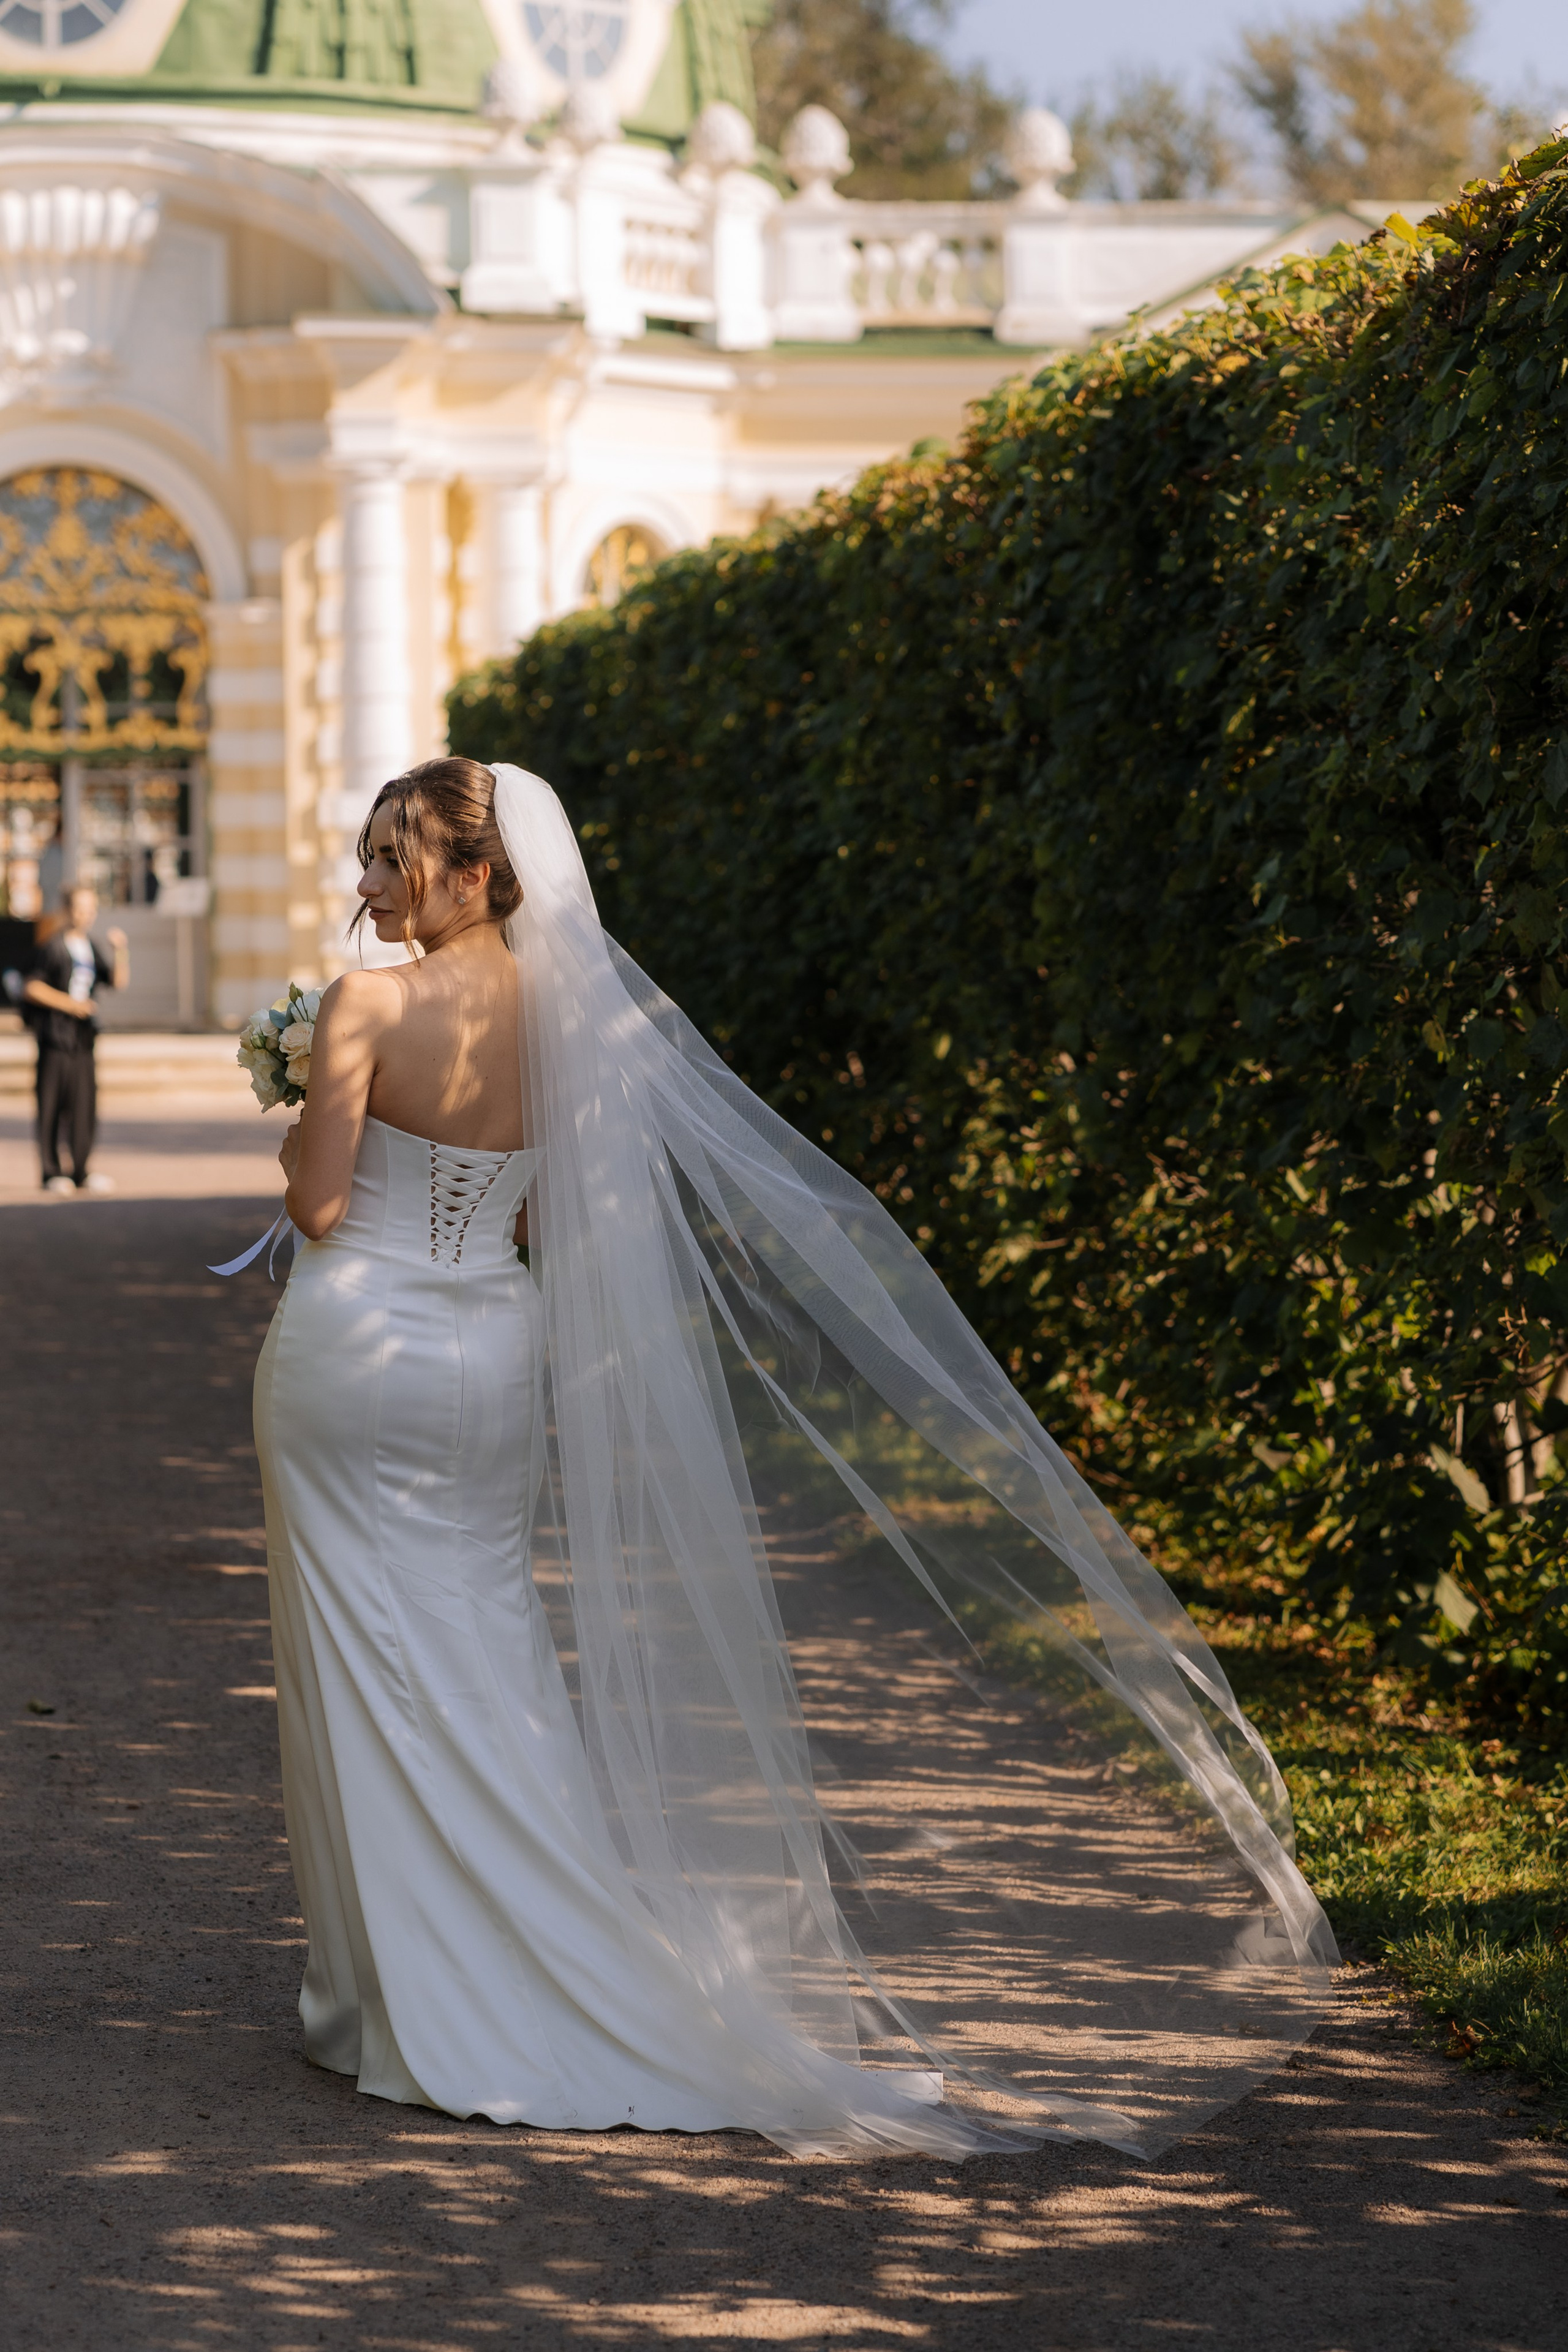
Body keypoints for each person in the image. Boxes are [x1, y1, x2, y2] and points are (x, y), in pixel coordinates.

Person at [252, 759, 1335, 2162]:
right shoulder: (568, 1016)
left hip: (358, 1343)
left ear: (473, 872)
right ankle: (505, 1961)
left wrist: (301, 1108)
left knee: (358, 1650)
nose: (368, 884)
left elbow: (319, 1203)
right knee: (485, 1644)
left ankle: (405, 1992)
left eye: (390, 858)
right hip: (489, 1348)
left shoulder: (367, 1006)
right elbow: (531, 1223)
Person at [23, 883, 129, 1195]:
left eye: (91, 909)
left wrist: (121, 950)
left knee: (84, 1105)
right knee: (52, 1104)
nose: (86, 915)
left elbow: (117, 981)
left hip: (82, 1039)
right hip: (55, 1037)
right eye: (80, 909)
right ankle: (52, 1172)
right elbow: (31, 988)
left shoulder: (91, 947)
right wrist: (71, 1005)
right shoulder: (52, 946)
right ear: (66, 910)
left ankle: (81, 1171)